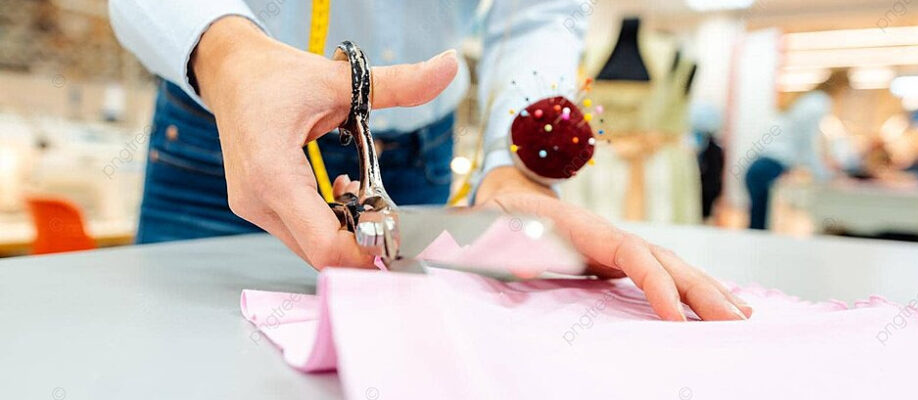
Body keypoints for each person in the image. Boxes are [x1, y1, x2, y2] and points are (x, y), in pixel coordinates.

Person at [109, 1, 750, 321]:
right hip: (223, 128)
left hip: (420, 158)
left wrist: (517, 172)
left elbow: (536, 12)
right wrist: (231, 57)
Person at [745, 71, 848, 230]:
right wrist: (823, 174)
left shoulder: (809, 100)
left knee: (759, 222)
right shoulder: (818, 103)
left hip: (762, 167)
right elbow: (807, 145)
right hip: (767, 168)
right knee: (759, 224)